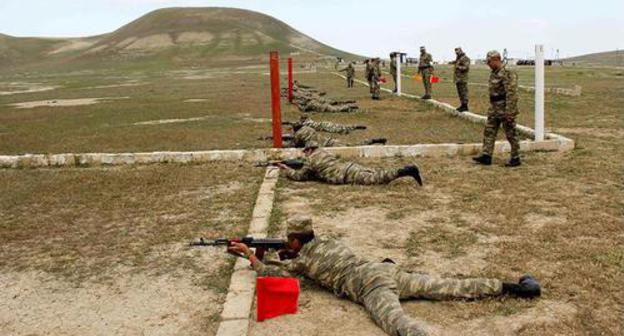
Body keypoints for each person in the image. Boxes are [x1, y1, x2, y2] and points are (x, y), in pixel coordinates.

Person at [228, 216, 542, 336]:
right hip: (384, 269)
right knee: (451, 286)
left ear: (296, 241)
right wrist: (283, 251)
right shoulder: (325, 242)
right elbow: (298, 255)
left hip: (370, 285)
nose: (287, 244)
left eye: (289, 241)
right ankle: (517, 288)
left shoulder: (303, 261)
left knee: (396, 322)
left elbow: (270, 272)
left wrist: (249, 254)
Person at [278, 141, 420, 185]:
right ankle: (402, 171)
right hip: (350, 167)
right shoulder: (323, 152)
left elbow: (300, 177)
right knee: (375, 173)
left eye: (305, 151)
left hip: (347, 175)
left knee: (377, 179)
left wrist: (285, 169)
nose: (305, 153)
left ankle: (404, 171)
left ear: (308, 150)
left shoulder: (310, 160)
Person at [473, 50, 521, 167]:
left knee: (511, 133)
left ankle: (515, 157)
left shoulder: (507, 73)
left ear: (496, 60)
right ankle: (486, 156)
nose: (488, 64)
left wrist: (510, 112)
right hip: (494, 108)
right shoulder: (494, 72)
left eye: (489, 62)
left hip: (504, 108)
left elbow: (511, 94)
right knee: (489, 131)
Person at [288, 127, 386, 149]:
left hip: (331, 145)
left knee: (353, 146)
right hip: (330, 141)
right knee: (352, 145)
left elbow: (295, 145)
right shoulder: (307, 129)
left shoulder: (299, 134)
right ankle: (374, 140)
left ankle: (373, 141)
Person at [288, 115, 367, 134]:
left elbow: (298, 125)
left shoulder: (306, 124)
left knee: (342, 129)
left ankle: (355, 127)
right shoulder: (309, 121)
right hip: (325, 124)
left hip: (325, 126)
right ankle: (355, 126)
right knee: (341, 127)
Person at [450, 47, 471, 112]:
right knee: (460, 92)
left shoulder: (465, 58)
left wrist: (458, 67)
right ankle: (462, 104)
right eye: (456, 52)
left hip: (462, 78)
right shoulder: (458, 58)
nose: (457, 53)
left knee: (464, 92)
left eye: (458, 52)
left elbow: (466, 67)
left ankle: (465, 105)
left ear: (461, 51)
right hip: (458, 79)